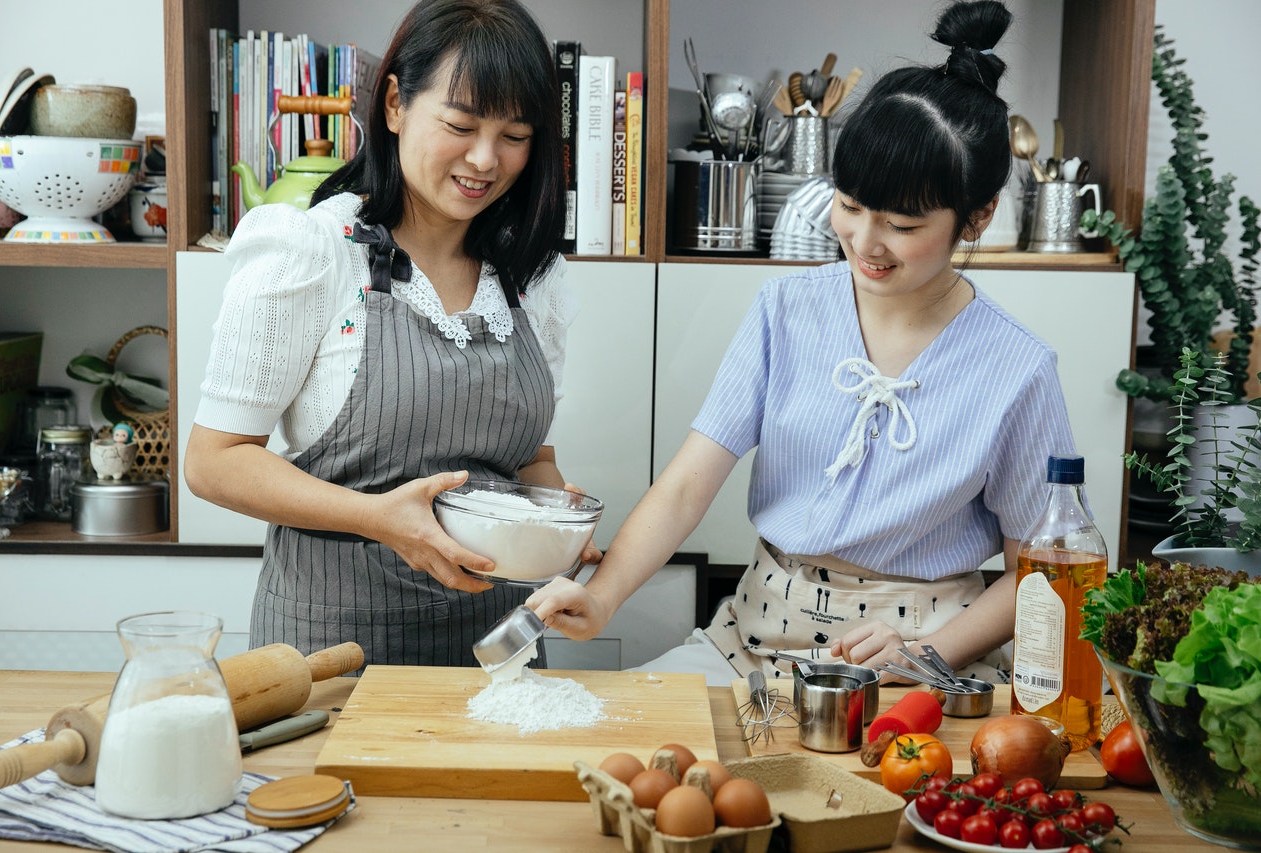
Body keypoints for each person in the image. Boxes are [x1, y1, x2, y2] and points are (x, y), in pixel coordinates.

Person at [528, 0, 1076, 687]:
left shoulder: (1016, 368)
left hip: (925, 664)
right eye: (849, 205)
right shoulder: (785, 308)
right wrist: (602, 593)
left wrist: (928, 651)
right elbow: (685, 486)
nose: (865, 243)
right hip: (753, 643)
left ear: (977, 215)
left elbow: (1043, 568)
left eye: (902, 225)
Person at [184, 0, 598, 668]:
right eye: (460, 125)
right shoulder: (311, 251)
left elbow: (528, 461)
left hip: (495, 660)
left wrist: (555, 514)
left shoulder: (530, 277)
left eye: (515, 135)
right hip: (330, 662)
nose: (485, 159)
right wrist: (378, 517)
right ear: (396, 105)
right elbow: (213, 460)